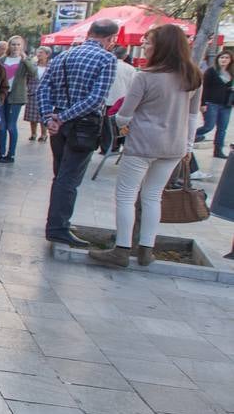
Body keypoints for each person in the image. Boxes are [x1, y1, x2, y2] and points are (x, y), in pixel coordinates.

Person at [89, 24, 202, 269]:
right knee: (153, 197)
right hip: (174, 146)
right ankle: (146, 249)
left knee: (126, 196)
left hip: (142, 144)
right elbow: (193, 117)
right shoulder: (193, 77)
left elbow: (123, 114)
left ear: (162, 46)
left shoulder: (145, 77)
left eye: (148, 42)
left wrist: (124, 128)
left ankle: (121, 249)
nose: (144, 46)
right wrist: (188, 146)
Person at [36, 19, 120, 247]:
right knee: (69, 179)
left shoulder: (62, 56)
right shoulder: (107, 59)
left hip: (60, 124)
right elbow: (96, 99)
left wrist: (50, 118)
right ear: (111, 39)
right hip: (82, 125)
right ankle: (58, 227)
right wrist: (61, 118)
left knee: (61, 175)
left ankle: (58, 223)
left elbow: (43, 89)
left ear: (89, 33)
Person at [0, 36, 38, 163]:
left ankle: (11, 154)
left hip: (16, 97)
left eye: (18, 44)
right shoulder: (3, 59)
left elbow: (34, 73)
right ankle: (1, 153)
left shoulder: (25, 60)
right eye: (13, 44)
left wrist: (26, 59)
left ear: (22, 46)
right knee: (1, 125)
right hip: (2, 95)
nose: (15, 47)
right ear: (9, 45)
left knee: (11, 126)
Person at [194, 49, 234, 158]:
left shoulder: (232, 73)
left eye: (226, 58)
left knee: (222, 129)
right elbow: (204, 88)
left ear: (230, 60)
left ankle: (218, 151)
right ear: (218, 59)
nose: (224, 60)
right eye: (222, 57)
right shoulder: (211, 71)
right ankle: (192, 137)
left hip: (226, 105)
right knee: (209, 126)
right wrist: (202, 103)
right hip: (211, 103)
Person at [26, 46, 52, 142]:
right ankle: (33, 133)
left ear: (47, 55)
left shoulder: (51, 66)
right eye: (38, 52)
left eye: (41, 52)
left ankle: (44, 134)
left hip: (45, 93)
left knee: (43, 115)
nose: (39, 54)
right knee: (32, 116)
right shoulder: (33, 65)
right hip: (32, 92)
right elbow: (27, 77)